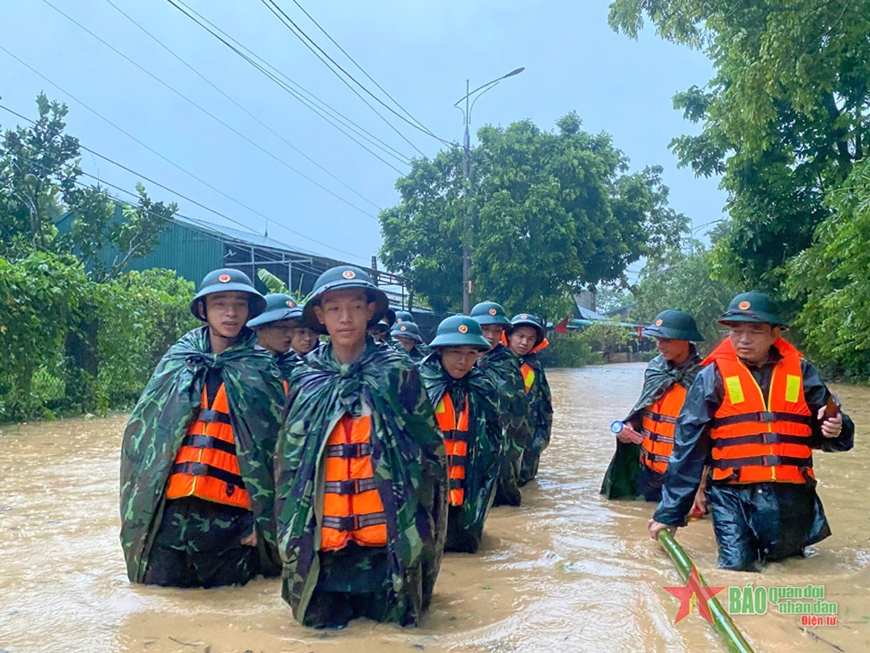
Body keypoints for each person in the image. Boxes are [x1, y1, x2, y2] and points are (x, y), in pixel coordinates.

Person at [275, 265, 447, 629]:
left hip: (386, 546)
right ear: (320, 316)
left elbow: (428, 451)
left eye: (355, 306)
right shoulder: (305, 377)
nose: (346, 318)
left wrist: (423, 526)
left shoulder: (398, 370)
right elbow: (289, 464)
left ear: (371, 311)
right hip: (324, 547)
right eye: (334, 309)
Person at [648, 292, 855, 571]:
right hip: (731, 495)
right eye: (736, 331)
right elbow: (688, 447)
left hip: (792, 497)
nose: (743, 339)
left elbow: (834, 435)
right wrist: (670, 514)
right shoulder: (711, 376)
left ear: (775, 334)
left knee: (791, 569)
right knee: (737, 569)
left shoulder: (802, 372)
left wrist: (836, 428)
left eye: (755, 331)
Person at [120, 268, 285, 588]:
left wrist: (263, 523)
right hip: (168, 521)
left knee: (231, 620)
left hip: (233, 524)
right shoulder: (178, 361)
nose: (230, 312)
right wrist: (143, 517)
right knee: (158, 610)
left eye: (239, 304)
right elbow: (140, 441)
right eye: (220, 303)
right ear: (203, 310)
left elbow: (280, 455)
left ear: (250, 311)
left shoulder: (261, 369)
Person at [601, 309, 704, 503]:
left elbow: (709, 434)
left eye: (666, 340)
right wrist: (631, 425)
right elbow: (645, 406)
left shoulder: (705, 376)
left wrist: (702, 485)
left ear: (685, 339)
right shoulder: (655, 369)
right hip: (647, 472)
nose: (659, 345)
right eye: (657, 339)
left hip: (684, 477)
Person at [419, 316, 503, 553]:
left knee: (464, 546)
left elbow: (496, 437)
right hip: (430, 488)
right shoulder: (418, 385)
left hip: (468, 483)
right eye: (456, 352)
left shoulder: (483, 387)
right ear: (440, 351)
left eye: (471, 353)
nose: (463, 361)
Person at [470, 301, 532, 506]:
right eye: (485, 329)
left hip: (501, 439)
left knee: (500, 493)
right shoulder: (459, 354)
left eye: (496, 331)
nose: (490, 336)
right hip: (465, 437)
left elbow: (512, 401)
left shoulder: (506, 361)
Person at [505, 314, 554, 486]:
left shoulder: (535, 369)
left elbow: (546, 408)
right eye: (520, 336)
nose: (524, 342)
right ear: (509, 336)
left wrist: (541, 441)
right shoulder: (493, 364)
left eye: (530, 338)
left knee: (526, 488)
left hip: (529, 443)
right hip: (501, 443)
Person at [247, 293, 301, 382]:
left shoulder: (296, 366)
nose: (289, 334)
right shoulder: (242, 365)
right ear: (260, 328)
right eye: (283, 328)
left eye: (293, 328)